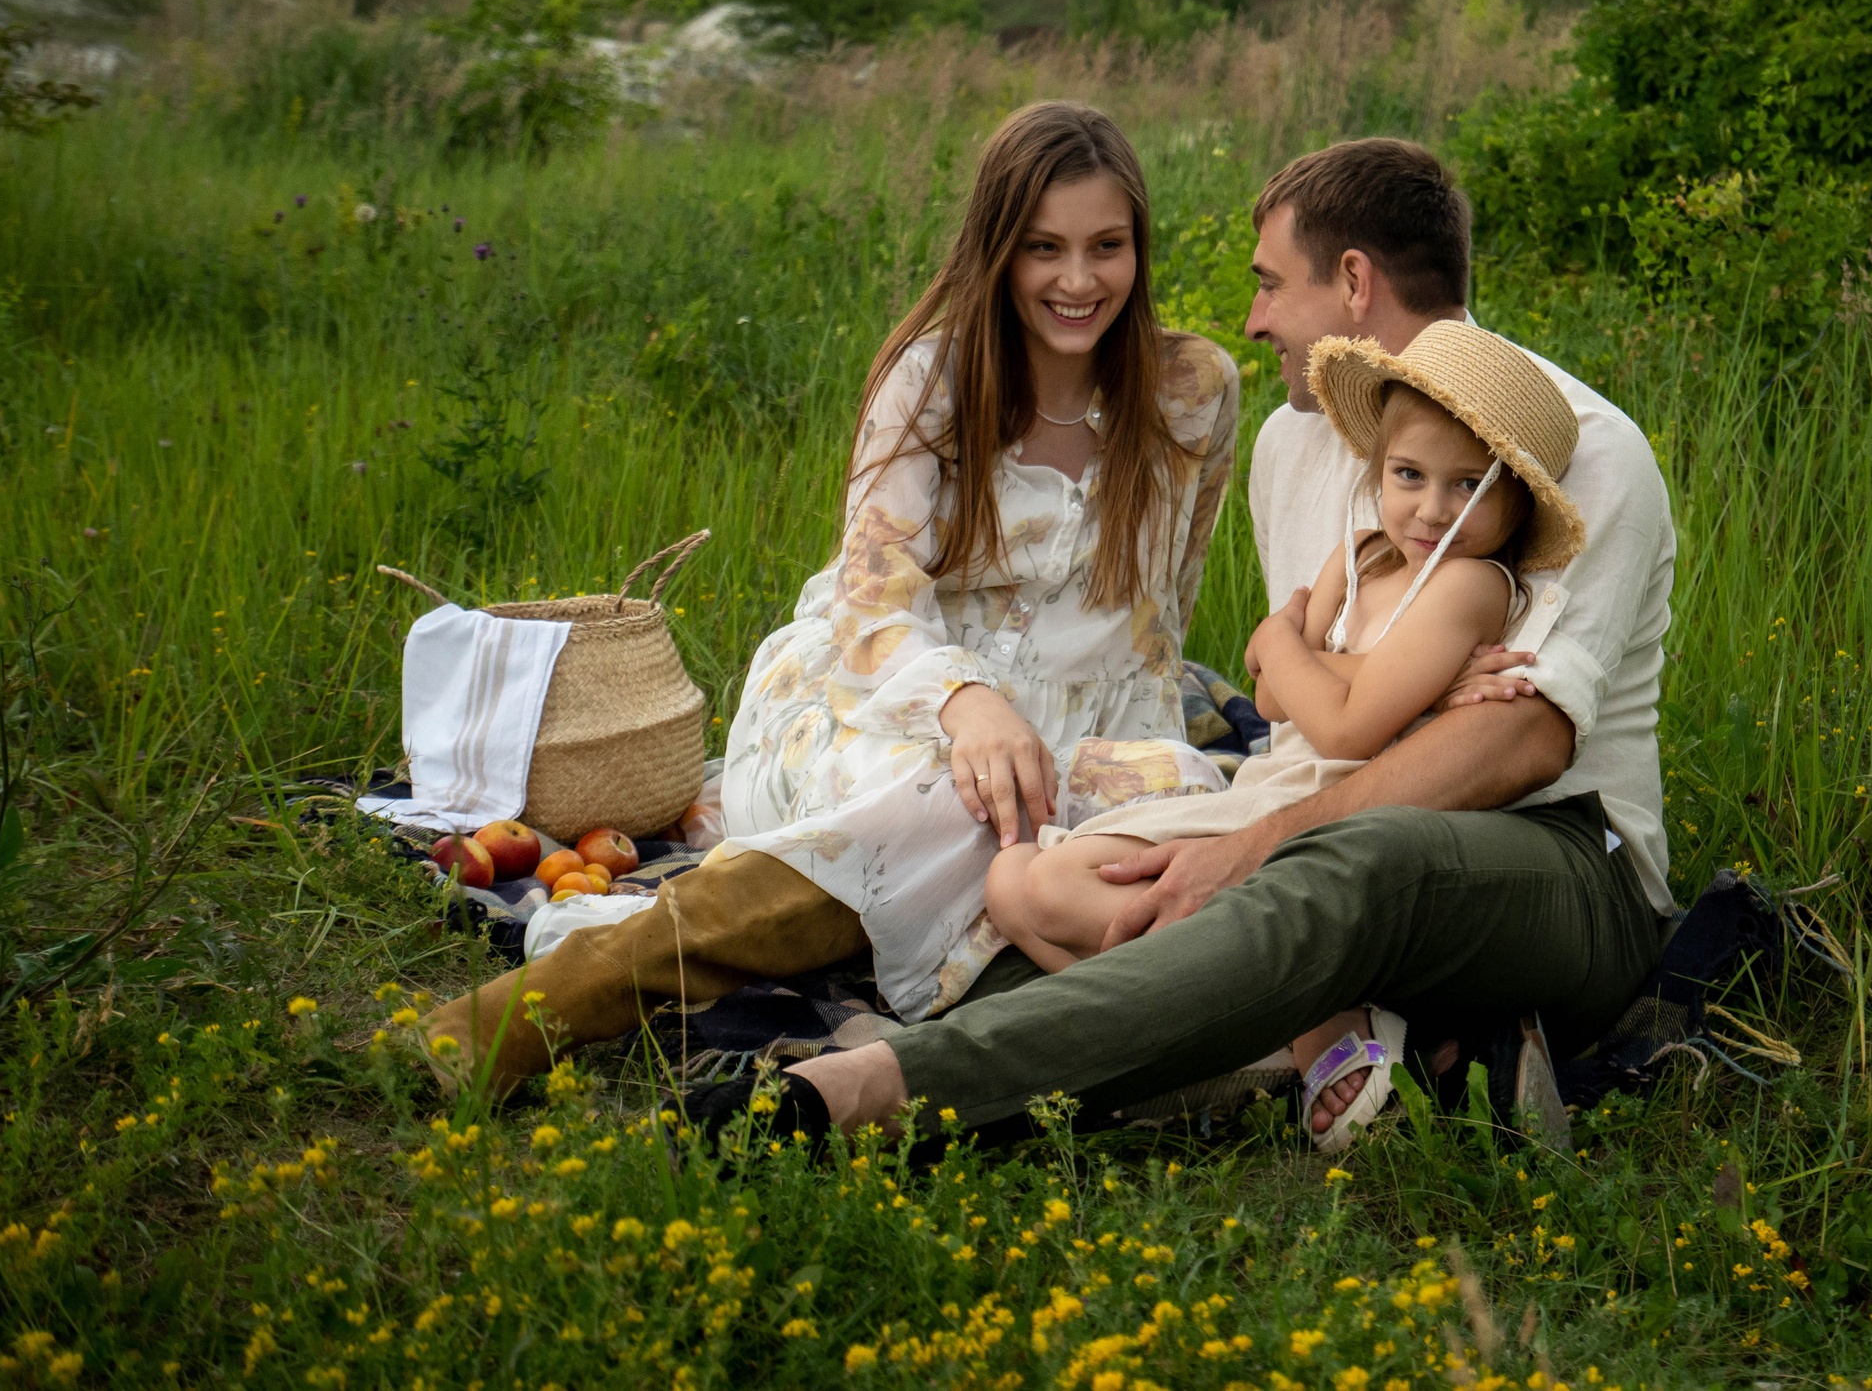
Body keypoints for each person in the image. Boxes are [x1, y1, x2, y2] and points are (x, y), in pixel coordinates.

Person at [719, 135, 1679, 1144]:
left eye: (1270, 284)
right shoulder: (1293, 442)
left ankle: (881, 1093)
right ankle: (1388, 1038)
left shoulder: (1575, 446)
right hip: (1328, 811)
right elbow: (1295, 696)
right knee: (1035, 876)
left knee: (1346, 866)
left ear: (1352, 281)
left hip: (1558, 850)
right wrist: (1257, 804)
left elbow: (1525, 741)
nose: (1253, 318)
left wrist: (1263, 841)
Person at [422, 101, 1240, 1093]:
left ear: (1138, 248)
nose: (1078, 280)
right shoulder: (934, 377)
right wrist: (967, 702)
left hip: (1092, 718)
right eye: (1043, 249)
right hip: (880, 695)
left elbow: (1164, 609)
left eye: (1106, 247)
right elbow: (872, 601)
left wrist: (1135, 758)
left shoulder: (1194, 388)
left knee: (1187, 841)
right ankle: (550, 1003)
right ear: (997, 249)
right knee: (948, 808)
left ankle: (995, 1018)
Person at [981, 323, 1589, 1147]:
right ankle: (1268, 1032)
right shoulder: (1367, 556)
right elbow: (1270, 702)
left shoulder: (1471, 585)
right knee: (1019, 883)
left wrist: (1282, 642)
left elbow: (1343, 721)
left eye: (1468, 487)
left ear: (1513, 498)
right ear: (1379, 468)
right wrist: (1375, 679)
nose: (1432, 508)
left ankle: (1313, 1027)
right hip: (1270, 786)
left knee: (1060, 892)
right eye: (1409, 475)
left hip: (1341, 813)